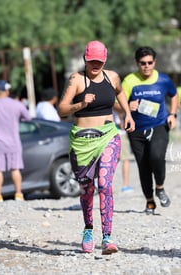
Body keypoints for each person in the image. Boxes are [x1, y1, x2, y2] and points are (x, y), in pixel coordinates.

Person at [58, 40, 135, 255]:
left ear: (105, 60)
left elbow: (120, 93)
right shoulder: (76, 80)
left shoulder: (112, 77)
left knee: (105, 184)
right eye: (92, 61)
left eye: (99, 61)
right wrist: (81, 104)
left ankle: (108, 237)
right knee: (86, 189)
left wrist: (127, 114)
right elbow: (62, 109)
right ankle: (89, 229)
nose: (95, 65)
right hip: (82, 141)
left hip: (108, 136)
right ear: (85, 59)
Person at [122, 46, 178, 215]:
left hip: (159, 125)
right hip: (136, 129)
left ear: (154, 62)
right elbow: (117, 102)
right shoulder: (129, 81)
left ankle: (159, 188)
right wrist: (126, 107)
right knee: (143, 165)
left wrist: (173, 114)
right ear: (137, 63)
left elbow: (173, 95)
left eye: (150, 62)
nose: (146, 66)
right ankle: (149, 201)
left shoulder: (163, 80)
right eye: (142, 63)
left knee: (157, 156)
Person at [113, 108, 134, 193]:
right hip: (119, 132)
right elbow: (119, 109)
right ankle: (125, 185)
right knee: (125, 159)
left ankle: (100, 180)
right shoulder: (117, 95)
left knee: (112, 159)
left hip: (109, 132)